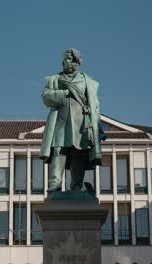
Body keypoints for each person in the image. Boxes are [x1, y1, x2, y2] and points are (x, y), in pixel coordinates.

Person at [40, 48, 106, 192]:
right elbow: (46, 96)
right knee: (59, 150)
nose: (67, 61)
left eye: (70, 58)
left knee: (78, 154)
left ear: (77, 61)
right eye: (65, 59)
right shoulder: (55, 79)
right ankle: (55, 183)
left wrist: (99, 129)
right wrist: (64, 93)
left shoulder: (88, 81)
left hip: (81, 124)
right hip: (61, 123)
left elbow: (95, 106)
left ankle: (77, 186)